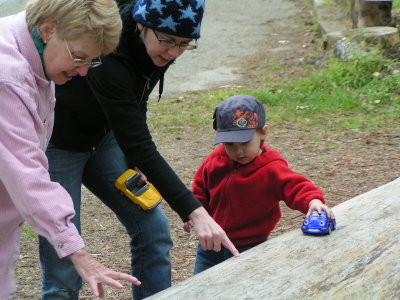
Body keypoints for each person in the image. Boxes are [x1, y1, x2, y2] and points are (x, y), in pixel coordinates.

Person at [38, 0, 239, 299]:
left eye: (184, 44)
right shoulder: (108, 56)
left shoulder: (159, 39)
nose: (173, 52)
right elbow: (139, 142)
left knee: (154, 230)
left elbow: (138, 93)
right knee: (64, 263)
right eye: (167, 41)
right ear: (141, 24)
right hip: (59, 145)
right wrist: (195, 212)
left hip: (104, 138)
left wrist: (134, 161)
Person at [0, 0, 144, 299]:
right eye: (79, 58)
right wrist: (80, 255)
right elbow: (28, 175)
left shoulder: (35, 50)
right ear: (49, 29)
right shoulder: (8, 78)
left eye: (90, 61)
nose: (82, 73)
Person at [184, 95, 335, 274]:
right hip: (211, 243)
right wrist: (192, 212)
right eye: (230, 144)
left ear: (263, 132)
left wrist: (313, 201)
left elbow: (295, 186)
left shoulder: (271, 167)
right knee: (201, 286)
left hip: (250, 246)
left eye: (245, 142)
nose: (238, 151)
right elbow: (201, 189)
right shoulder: (215, 159)